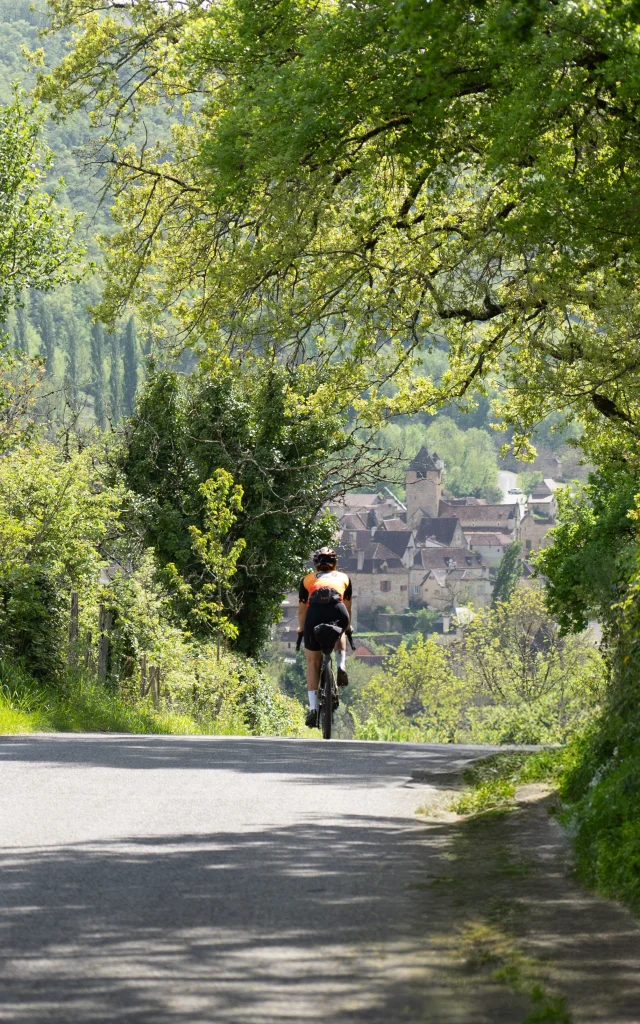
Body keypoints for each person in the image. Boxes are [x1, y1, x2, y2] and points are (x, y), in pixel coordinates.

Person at [297, 546, 352, 729]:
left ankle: (313, 709)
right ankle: (340, 664)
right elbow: (347, 606)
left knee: (313, 662)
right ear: (335, 563)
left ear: (316, 564)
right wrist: (348, 626)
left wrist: (301, 629)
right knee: (341, 630)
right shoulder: (344, 578)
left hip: (314, 613)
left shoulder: (307, 579)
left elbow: (302, 609)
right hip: (337, 608)